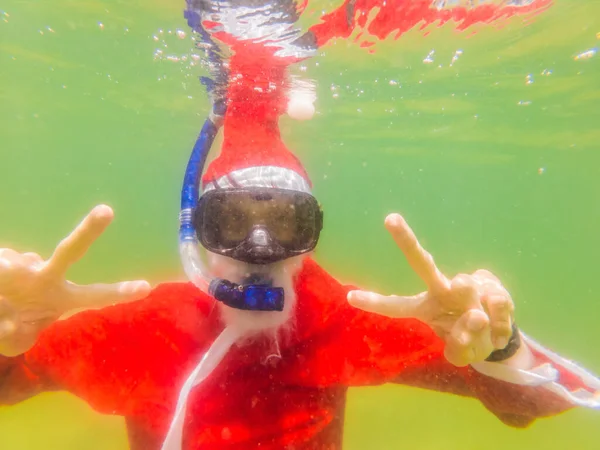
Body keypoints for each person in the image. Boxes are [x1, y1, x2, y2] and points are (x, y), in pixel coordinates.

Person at [0, 1, 598, 449]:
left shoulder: (341, 320)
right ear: (196, 234)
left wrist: (501, 345)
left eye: (285, 222)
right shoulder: (141, 330)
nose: (258, 246)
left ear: (311, 236)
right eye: (230, 220)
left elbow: (529, 404)